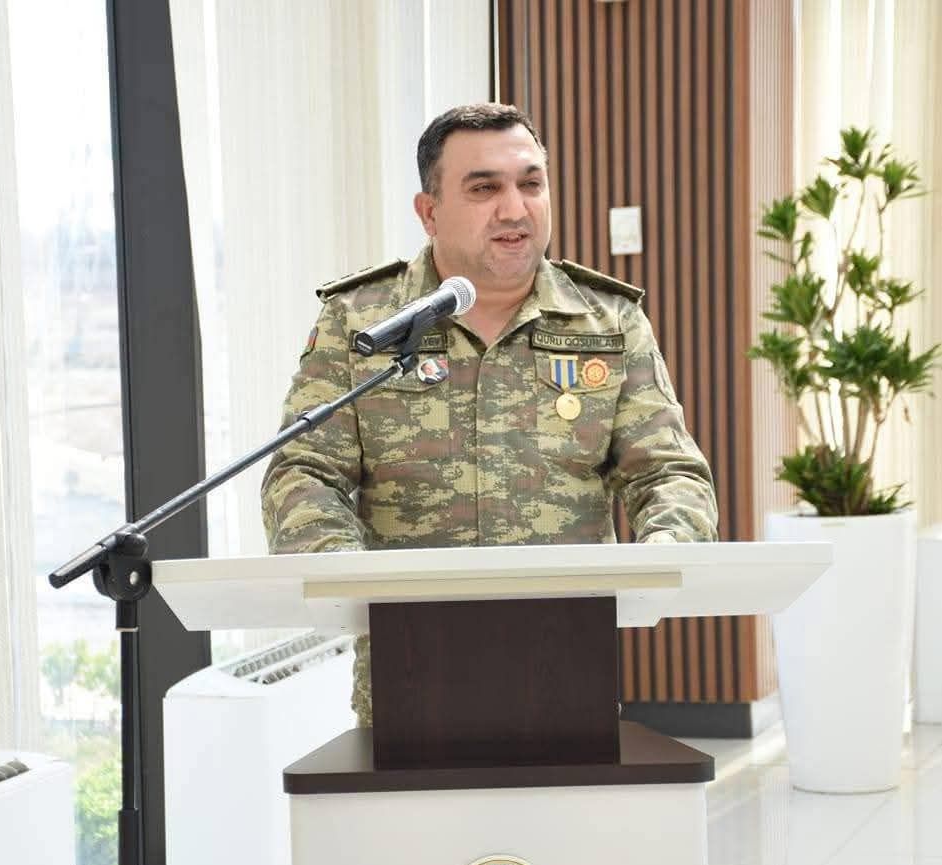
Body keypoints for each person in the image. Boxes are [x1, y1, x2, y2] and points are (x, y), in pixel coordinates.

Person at [261, 103, 718, 727]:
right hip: (408, 675)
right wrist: (347, 576)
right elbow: (302, 469)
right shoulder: (362, 322)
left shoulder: (608, 321)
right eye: (484, 189)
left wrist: (664, 554)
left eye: (531, 184)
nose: (514, 209)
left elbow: (668, 471)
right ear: (429, 212)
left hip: (569, 673)